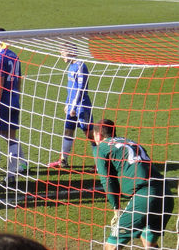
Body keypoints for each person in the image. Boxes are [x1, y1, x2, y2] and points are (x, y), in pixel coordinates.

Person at [91, 119, 174, 250]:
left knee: (110, 246)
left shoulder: (100, 148)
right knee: (148, 240)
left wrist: (116, 208)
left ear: (98, 135)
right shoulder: (129, 142)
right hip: (166, 194)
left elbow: (106, 180)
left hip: (145, 196)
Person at [48, 44, 93, 169]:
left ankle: (103, 163)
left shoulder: (80, 66)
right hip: (72, 105)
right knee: (68, 131)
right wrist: (67, 103)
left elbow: (81, 88)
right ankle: (63, 160)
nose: (61, 55)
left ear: (71, 52)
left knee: (90, 134)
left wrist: (73, 106)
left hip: (81, 106)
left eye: (62, 52)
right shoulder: (71, 66)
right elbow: (71, 89)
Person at [0, 28, 26, 184]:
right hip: (14, 100)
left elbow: (0, 82)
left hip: (2, 101)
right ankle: (11, 174)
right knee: (11, 138)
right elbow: (19, 79)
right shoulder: (15, 56)